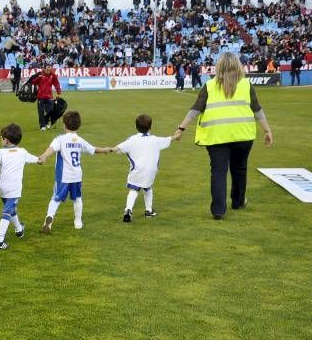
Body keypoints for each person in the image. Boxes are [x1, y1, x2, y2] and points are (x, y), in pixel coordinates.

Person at [173, 52, 273, 220]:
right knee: (239, 169)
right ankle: (238, 201)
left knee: (219, 172)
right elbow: (257, 110)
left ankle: (218, 210)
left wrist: (181, 128)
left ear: (218, 66)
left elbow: (196, 109)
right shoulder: (246, 85)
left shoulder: (210, 85)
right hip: (243, 135)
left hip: (216, 136)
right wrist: (267, 130)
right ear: (238, 66)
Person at [38, 111, 111, 233]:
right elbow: (94, 150)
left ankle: (48, 219)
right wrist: (105, 150)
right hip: (76, 175)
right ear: (78, 125)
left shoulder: (60, 139)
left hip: (63, 176)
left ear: (64, 125)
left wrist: (44, 156)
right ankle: (78, 221)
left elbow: (51, 149)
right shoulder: (80, 140)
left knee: (55, 198)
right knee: (77, 198)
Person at [108, 115, 179, 223]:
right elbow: (169, 139)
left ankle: (128, 210)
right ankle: (148, 210)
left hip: (137, 170)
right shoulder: (155, 140)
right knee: (148, 188)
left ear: (136, 126)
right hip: (151, 170)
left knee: (134, 190)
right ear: (151, 126)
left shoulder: (132, 140)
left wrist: (107, 150)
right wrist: (178, 133)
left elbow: (118, 149)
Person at [0, 123, 42, 250]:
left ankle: (19, 229)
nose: (0, 139)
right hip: (14, 188)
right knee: (7, 211)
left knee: (10, 208)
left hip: (2, 187)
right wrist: (39, 159)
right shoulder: (22, 152)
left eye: (1, 137)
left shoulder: (0, 153)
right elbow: (35, 159)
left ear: (6, 140)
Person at [32, 66, 61, 131]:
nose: (48, 70)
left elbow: (56, 83)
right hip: (41, 96)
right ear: (44, 69)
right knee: (41, 112)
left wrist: (58, 90)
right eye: (47, 69)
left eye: (49, 69)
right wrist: (37, 78)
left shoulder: (53, 75)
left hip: (49, 97)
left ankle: (47, 123)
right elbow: (33, 82)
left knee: (49, 111)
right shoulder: (40, 75)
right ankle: (42, 126)